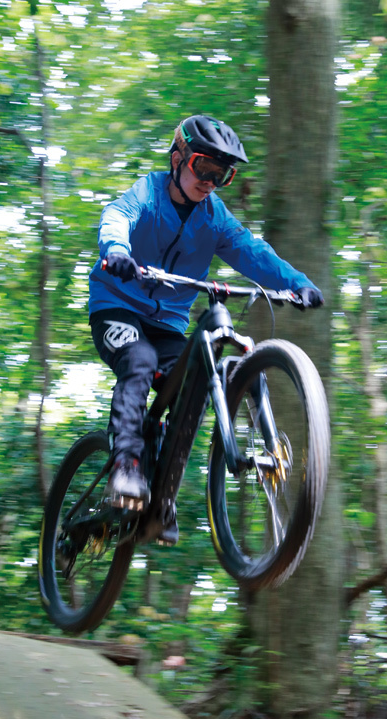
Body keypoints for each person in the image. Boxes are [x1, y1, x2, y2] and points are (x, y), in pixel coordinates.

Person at [88, 114, 323, 545]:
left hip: (168, 325)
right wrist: (117, 250)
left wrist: (298, 284)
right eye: (203, 167)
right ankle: (125, 468)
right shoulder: (150, 192)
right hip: (117, 308)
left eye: (223, 175)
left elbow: (253, 252)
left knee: (192, 383)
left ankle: (160, 499)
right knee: (138, 363)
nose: (211, 181)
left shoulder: (213, 217)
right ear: (178, 158)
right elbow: (118, 215)